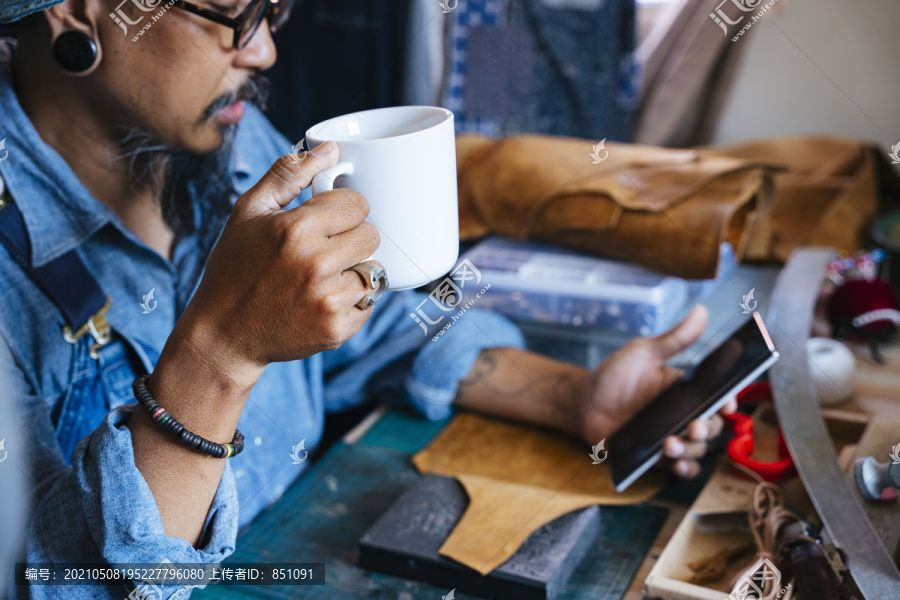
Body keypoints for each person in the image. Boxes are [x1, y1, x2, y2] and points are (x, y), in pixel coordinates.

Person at [0, 0, 733, 598]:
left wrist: (574, 397)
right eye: (231, 14)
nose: (262, 54)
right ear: (77, 14)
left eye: (272, 13)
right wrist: (219, 356)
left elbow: (376, 328)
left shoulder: (240, 143)